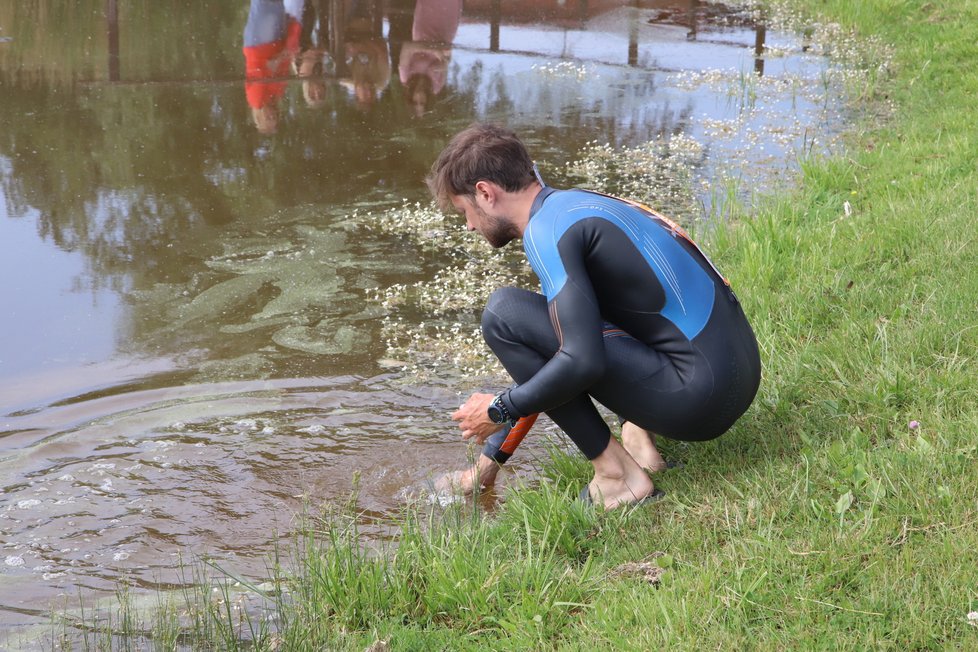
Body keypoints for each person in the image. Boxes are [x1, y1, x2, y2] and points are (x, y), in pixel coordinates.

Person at [428, 124, 761, 509]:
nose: (469, 225)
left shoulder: (546, 234)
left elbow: (578, 361)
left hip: (700, 399)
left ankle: (619, 478)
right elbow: (550, 357)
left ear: (485, 193)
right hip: (739, 376)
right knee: (561, 325)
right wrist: (487, 467)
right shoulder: (576, 205)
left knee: (503, 314)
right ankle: (637, 433)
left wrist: (500, 407)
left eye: (464, 211)